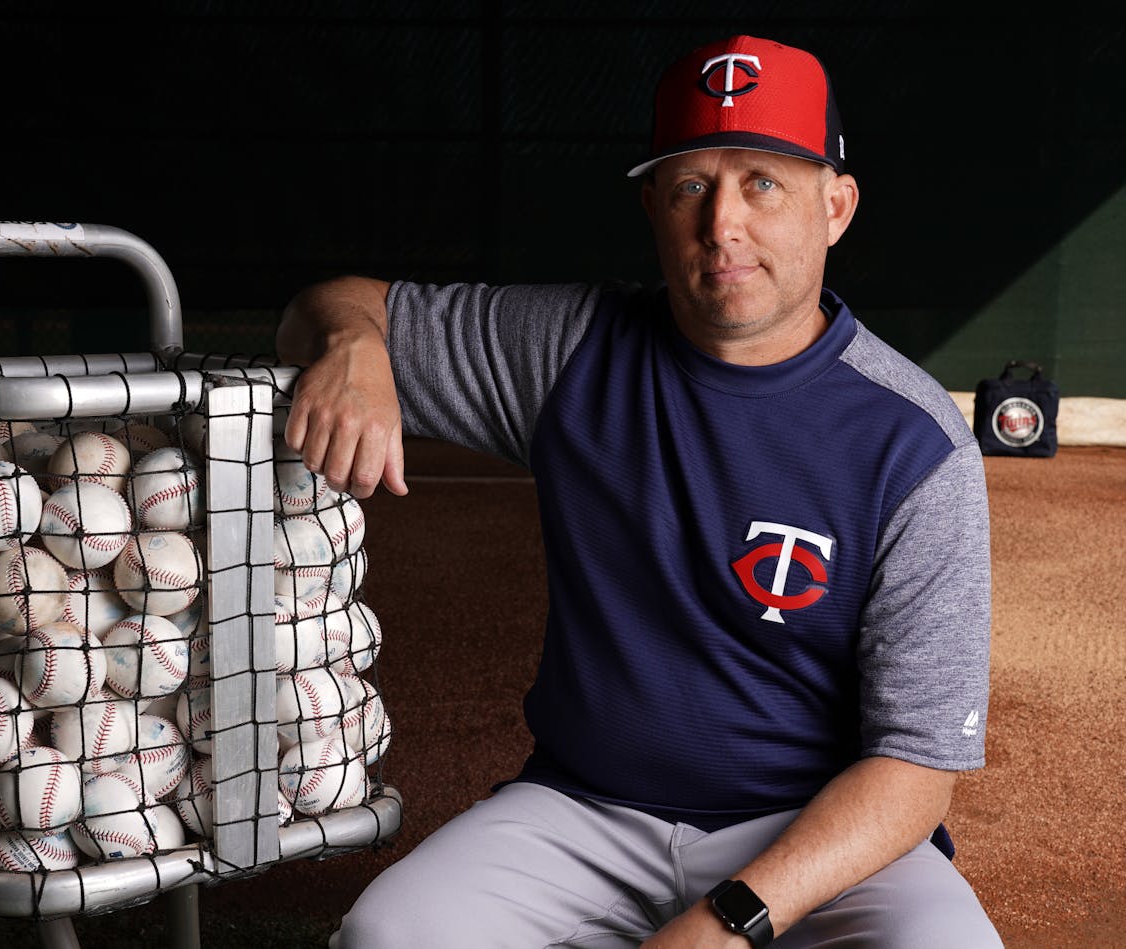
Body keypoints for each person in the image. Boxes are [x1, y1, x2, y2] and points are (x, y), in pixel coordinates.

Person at [276, 34, 1002, 948]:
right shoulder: (571, 348)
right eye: (692, 185)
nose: (722, 225)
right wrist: (354, 344)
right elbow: (331, 302)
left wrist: (728, 918)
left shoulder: (914, 442)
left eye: (762, 183)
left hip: (814, 832)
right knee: (386, 934)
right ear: (653, 204)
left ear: (836, 206)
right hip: (584, 812)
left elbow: (914, 769)